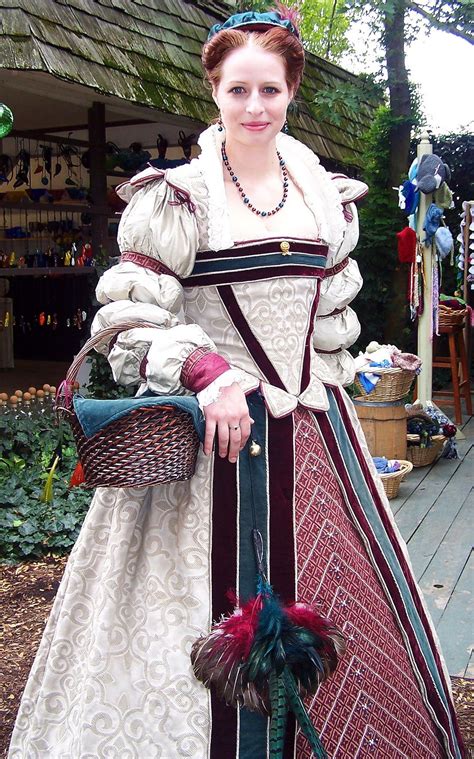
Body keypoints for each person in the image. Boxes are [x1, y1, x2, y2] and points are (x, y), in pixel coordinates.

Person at [9, 9, 464, 759]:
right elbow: (128, 319)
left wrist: (330, 384)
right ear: (214, 92)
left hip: (315, 430)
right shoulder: (176, 198)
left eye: (271, 90)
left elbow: (329, 317)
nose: (255, 106)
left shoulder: (325, 195)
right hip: (214, 439)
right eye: (238, 90)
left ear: (292, 93)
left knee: (355, 607)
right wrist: (207, 371)